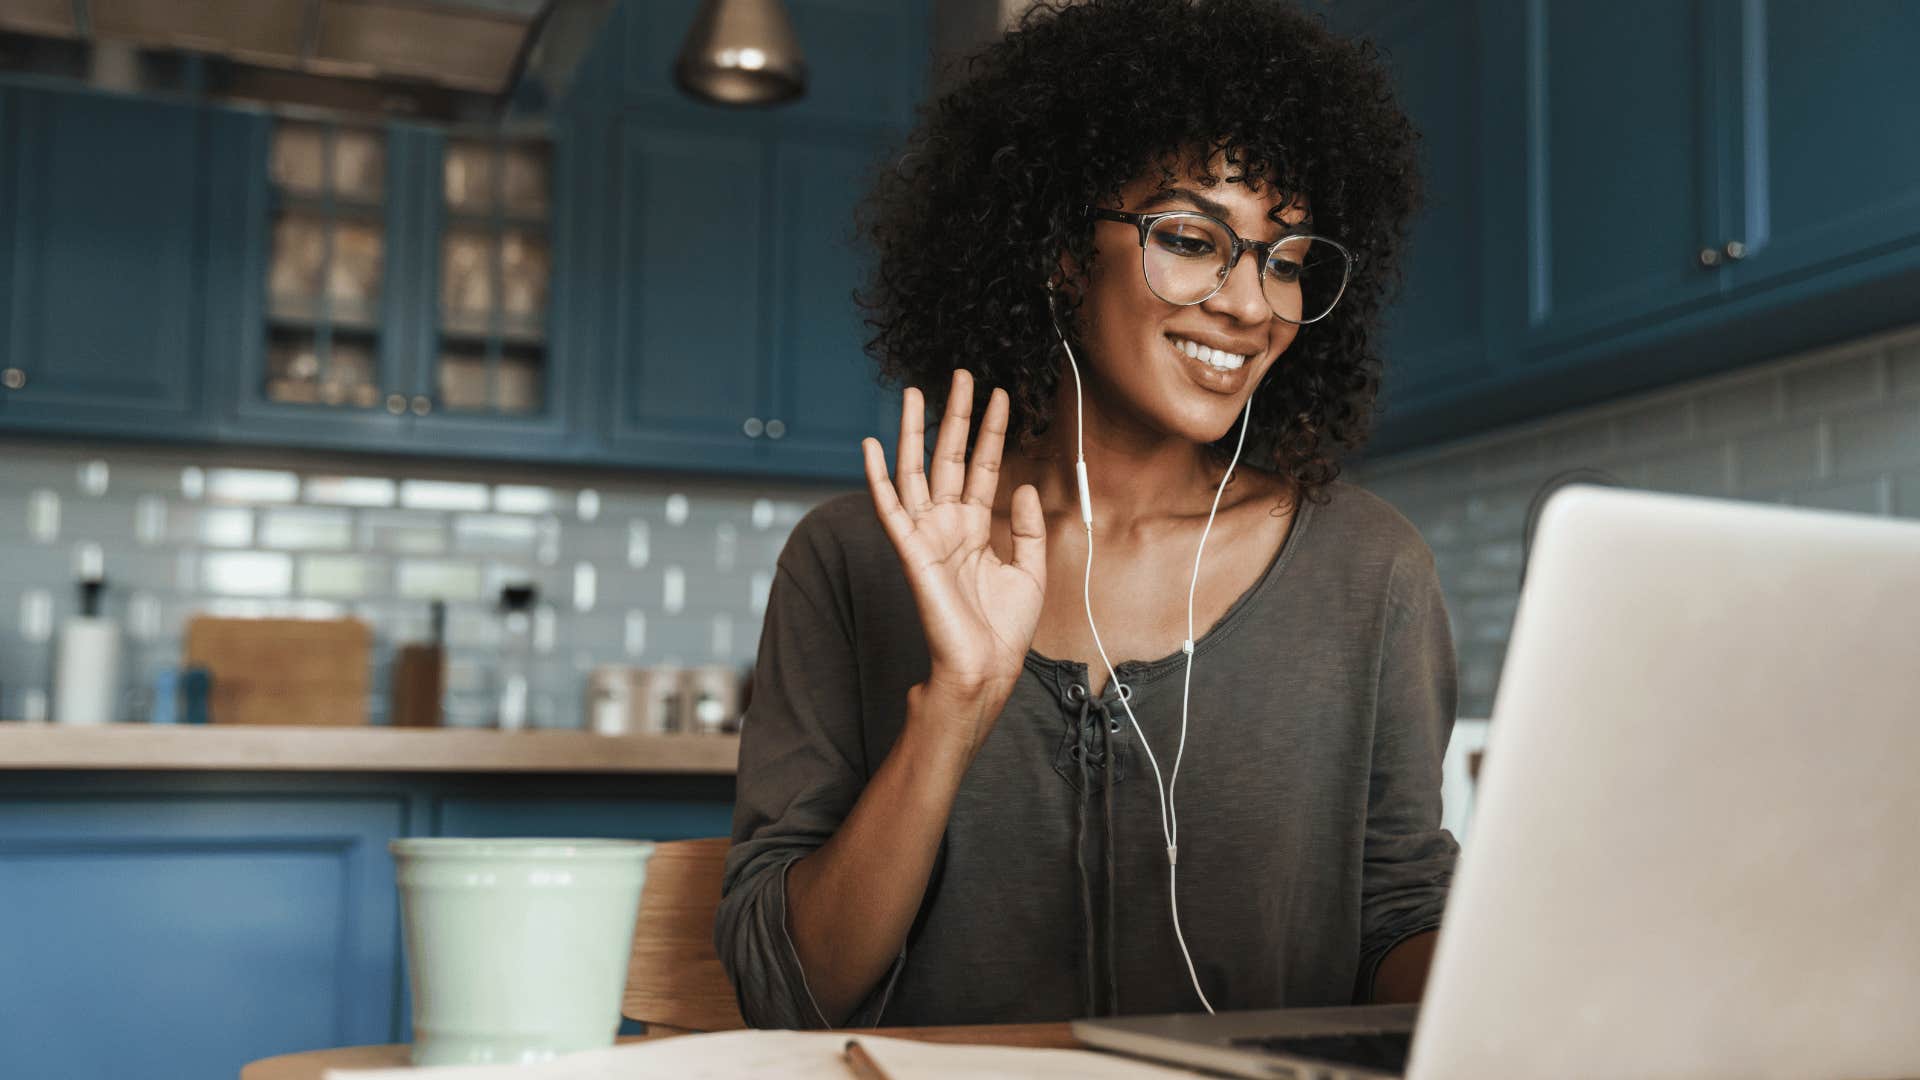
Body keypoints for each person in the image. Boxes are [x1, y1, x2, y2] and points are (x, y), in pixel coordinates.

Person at [715, 0, 1457, 1030]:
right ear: (1063, 249)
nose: (1251, 305)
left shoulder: (1369, 571)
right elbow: (788, 993)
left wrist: (1537, 978)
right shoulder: (851, 562)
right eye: (1194, 239)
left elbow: (1400, 920)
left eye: (1285, 260)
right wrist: (958, 706)